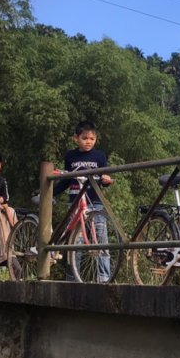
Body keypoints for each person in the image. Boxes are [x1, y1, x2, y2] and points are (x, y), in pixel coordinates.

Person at [57, 121, 114, 282]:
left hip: (95, 201)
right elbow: (66, 180)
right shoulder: (70, 156)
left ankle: (104, 277)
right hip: (75, 202)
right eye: (84, 138)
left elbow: (103, 178)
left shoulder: (100, 156)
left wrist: (106, 180)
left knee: (101, 239)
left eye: (92, 138)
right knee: (76, 242)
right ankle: (72, 278)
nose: (88, 141)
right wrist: (50, 193)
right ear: (76, 138)